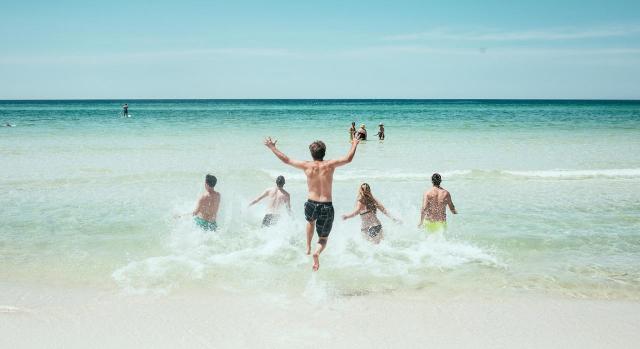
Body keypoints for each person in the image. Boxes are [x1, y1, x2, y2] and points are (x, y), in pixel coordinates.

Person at [264, 136, 360, 271]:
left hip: (311, 203)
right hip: (326, 205)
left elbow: (286, 160)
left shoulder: (306, 165)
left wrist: (272, 147)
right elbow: (348, 158)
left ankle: (308, 246)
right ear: (324, 152)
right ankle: (317, 252)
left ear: (311, 154)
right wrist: (355, 143)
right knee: (323, 238)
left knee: (310, 222)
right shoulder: (330, 164)